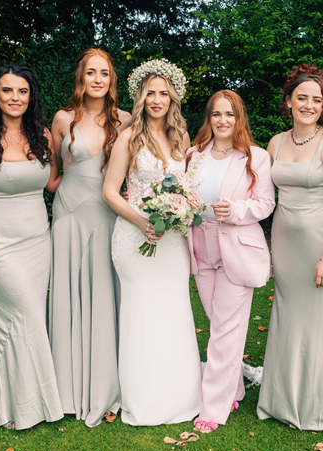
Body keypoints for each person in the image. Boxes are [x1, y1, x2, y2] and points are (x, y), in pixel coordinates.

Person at [0, 63, 63, 430]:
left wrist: (98, 171)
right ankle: (26, 404)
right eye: (8, 90)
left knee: (25, 315)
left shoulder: (43, 137)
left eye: (22, 91)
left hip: (38, 242)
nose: (15, 97)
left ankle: (15, 397)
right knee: (23, 316)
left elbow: (52, 185)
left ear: (30, 96)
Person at [102, 59, 202, 426]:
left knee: (174, 311)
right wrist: (142, 222)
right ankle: (143, 398)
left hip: (173, 242)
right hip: (134, 239)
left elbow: (188, 189)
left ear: (173, 97)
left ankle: (181, 396)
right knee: (142, 314)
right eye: (150, 93)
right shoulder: (129, 137)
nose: (157, 100)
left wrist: (181, 211)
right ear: (140, 97)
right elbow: (110, 192)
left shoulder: (181, 138)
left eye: (163, 93)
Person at [256, 65, 323, 431]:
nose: (309, 105)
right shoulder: (275, 143)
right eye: (302, 98)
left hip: (320, 242)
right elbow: (263, 197)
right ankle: (281, 400)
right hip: (284, 240)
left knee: (321, 321)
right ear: (289, 102)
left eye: (316, 99)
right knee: (288, 317)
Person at [47, 49, 132, 427]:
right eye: (91, 73)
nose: (98, 79)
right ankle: (64, 387)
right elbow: (51, 175)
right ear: (80, 78)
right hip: (68, 213)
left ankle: (104, 382)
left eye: (105, 74)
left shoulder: (126, 120)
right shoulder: (63, 119)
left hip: (107, 214)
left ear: (112, 80)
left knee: (104, 289)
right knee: (68, 292)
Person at [186, 90, 275, 433]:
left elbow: (266, 202)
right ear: (208, 118)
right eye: (216, 114)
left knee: (224, 331)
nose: (223, 120)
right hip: (201, 246)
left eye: (230, 114)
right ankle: (235, 386)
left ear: (240, 119)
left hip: (237, 248)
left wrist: (236, 210)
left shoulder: (256, 157)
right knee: (218, 324)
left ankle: (213, 408)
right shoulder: (193, 155)